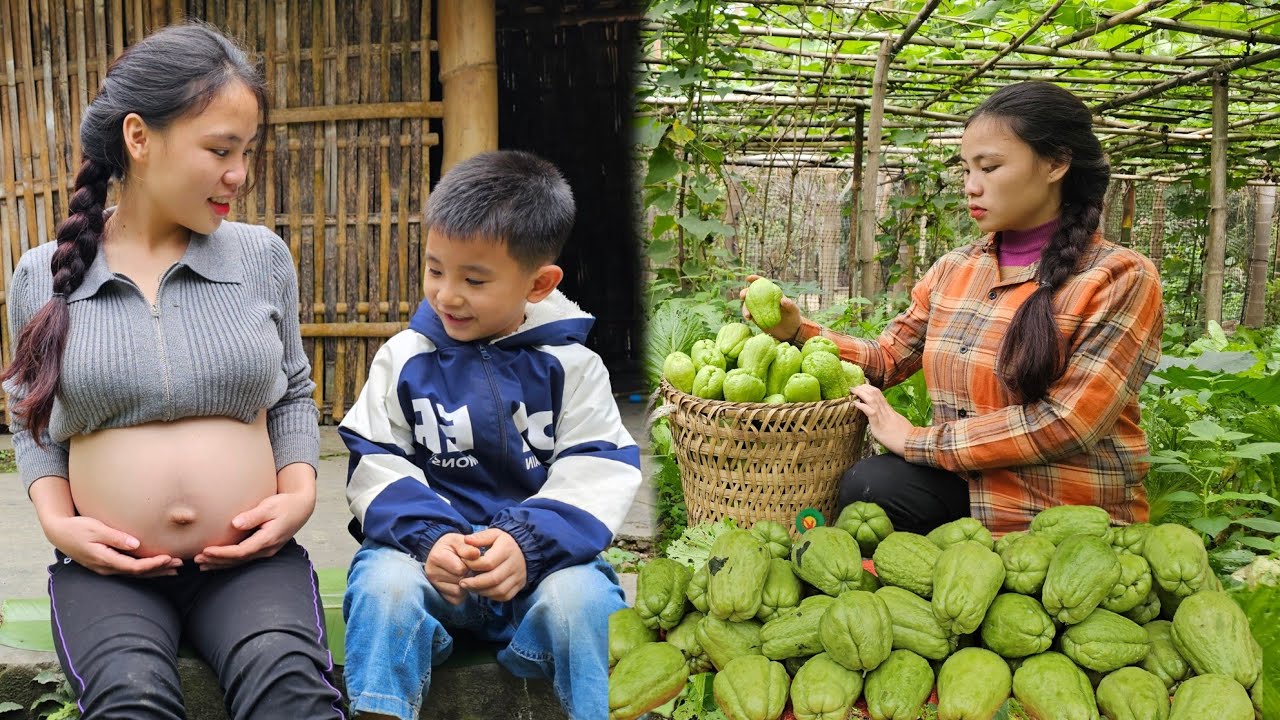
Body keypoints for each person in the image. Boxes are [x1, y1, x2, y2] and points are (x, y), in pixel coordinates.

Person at [2, 24, 344, 719]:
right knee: (131, 698)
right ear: (139, 137)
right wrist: (58, 523)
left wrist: (300, 493)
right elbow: (29, 413)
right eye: (220, 150)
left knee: (287, 683)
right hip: (107, 574)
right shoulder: (43, 275)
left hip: (252, 563)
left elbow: (293, 393)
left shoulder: (260, 258)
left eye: (245, 151)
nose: (238, 173)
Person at [743, 81, 1163, 537]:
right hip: (968, 491)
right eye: (966, 170)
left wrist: (915, 440)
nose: (971, 187)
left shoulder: (1119, 276)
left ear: (1056, 163)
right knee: (872, 486)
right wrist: (796, 331)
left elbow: (1067, 423)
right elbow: (887, 359)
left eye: (990, 167)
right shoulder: (955, 269)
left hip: (1064, 513)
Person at [338, 150, 642, 720]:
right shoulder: (403, 358)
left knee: (586, 604)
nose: (447, 295)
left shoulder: (574, 368)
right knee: (383, 589)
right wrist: (430, 537)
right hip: (427, 561)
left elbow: (598, 467)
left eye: (474, 280)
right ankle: (381, 709)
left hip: (545, 565)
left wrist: (527, 545)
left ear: (539, 283)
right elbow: (374, 459)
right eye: (435, 270)